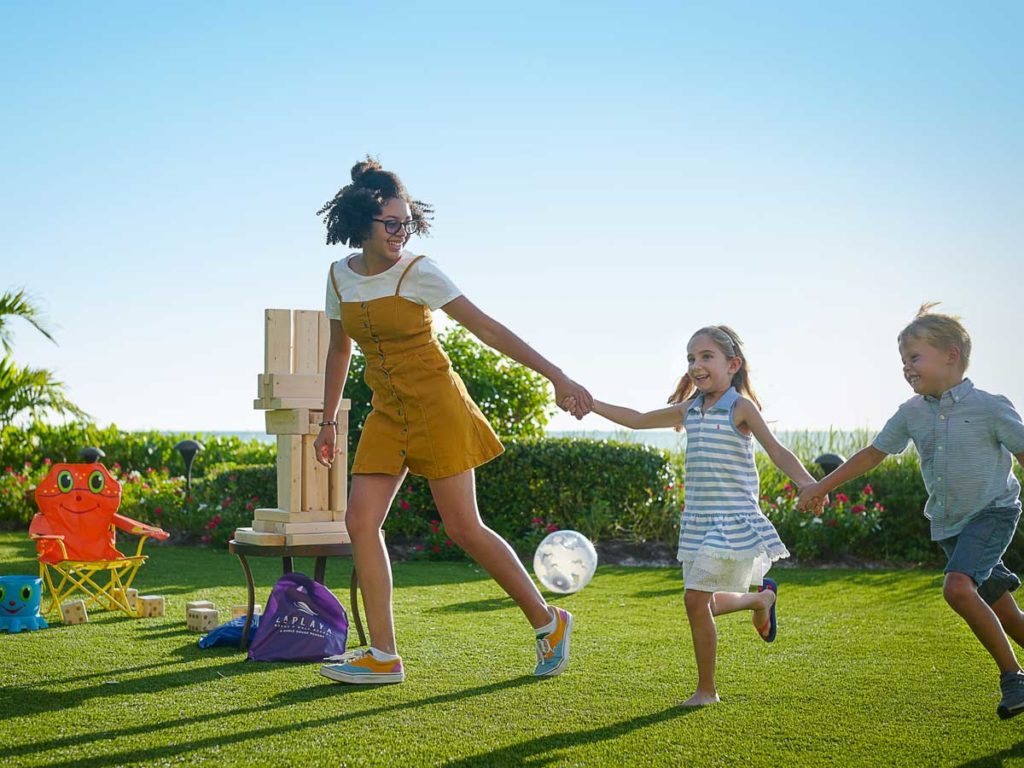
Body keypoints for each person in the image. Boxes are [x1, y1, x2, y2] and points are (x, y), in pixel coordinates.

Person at [312, 158, 592, 685]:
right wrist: (328, 421)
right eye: (390, 224)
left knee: (463, 527)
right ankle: (384, 654)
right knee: (359, 522)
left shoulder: (421, 271)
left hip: (438, 405)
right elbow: (338, 351)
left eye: (406, 223)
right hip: (386, 413)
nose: (401, 233)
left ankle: (548, 622)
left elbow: (487, 328)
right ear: (361, 222)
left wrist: (557, 375)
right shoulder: (338, 277)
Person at [571, 325, 819, 706]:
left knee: (694, 601)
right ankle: (759, 601)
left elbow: (777, 450)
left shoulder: (740, 407)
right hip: (700, 521)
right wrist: (592, 404)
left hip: (731, 519)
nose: (696, 365)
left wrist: (808, 484)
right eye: (691, 358)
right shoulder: (690, 409)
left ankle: (707, 691)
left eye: (706, 357)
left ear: (732, 364)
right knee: (703, 603)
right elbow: (638, 419)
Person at [798, 303, 1024, 719]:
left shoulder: (990, 407)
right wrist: (821, 486)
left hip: (993, 512)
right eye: (903, 361)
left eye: (914, 357)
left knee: (957, 588)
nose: (906, 368)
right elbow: (872, 454)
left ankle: (1014, 677)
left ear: (951, 355)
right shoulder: (912, 412)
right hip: (950, 523)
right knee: (1005, 611)